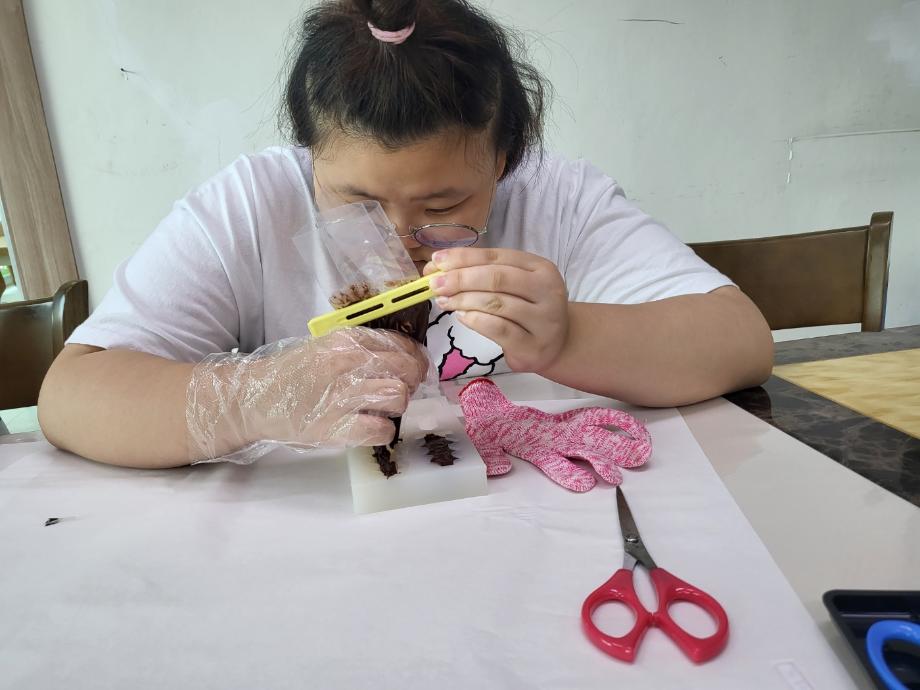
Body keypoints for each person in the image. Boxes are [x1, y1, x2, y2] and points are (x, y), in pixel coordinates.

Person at [38, 0, 773, 470]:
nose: (397, 240)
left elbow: (739, 342)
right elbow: (72, 396)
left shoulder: (559, 200)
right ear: (309, 155)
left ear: (504, 161)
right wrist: (248, 398)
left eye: (444, 202)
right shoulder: (250, 206)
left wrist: (570, 338)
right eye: (355, 199)